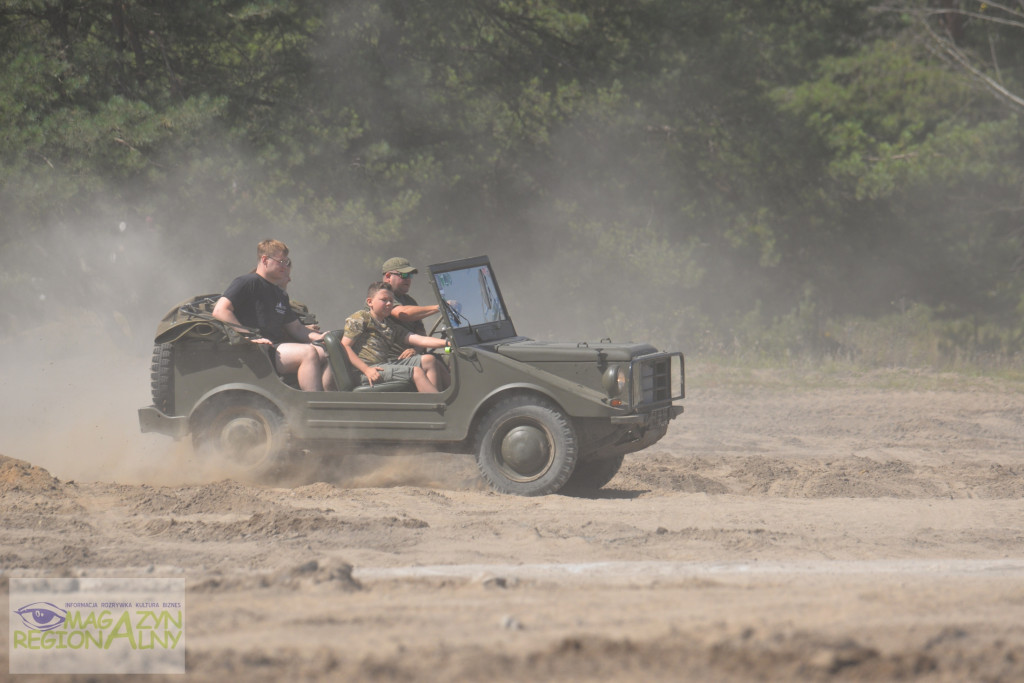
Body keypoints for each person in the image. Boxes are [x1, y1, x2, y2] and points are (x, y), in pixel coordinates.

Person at [212, 239, 331, 391]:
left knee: (328, 352)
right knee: (308, 353)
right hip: (255, 351)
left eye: (286, 262)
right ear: (264, 260)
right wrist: (249, 336)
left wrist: (323, 338)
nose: (284, 266)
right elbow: (220, 310)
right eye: (281, 261)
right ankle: (315, 404)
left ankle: (331, 400)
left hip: (274, 348)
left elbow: (297, 329)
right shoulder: (248, 282)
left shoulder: (280, 294)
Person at [342, 282, 449, 393]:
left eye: (391, 301)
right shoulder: (361, 318)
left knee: (429, 360)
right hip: (364, 372)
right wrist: (367, 370)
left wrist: (447, 343)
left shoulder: (390, 326)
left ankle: (438, 399)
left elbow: (420, 339)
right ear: (370, 302)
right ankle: (438, 406)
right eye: (384, 300)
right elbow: (345, 346)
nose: (389, 304)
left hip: (383, 366)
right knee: (416, 371)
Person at [381, 256, 451, 389]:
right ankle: (436, 405)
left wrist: (415, 349)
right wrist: (440, 307)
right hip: (391, 360)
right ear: (389, 276)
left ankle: (460, 402)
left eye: (410, 275)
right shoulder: (382, 299)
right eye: (404, 275)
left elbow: (421, 336)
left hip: (412, 356)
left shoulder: (410, 301)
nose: (408, 279)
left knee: (451, 356)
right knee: (431, 361)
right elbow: (403, 314)